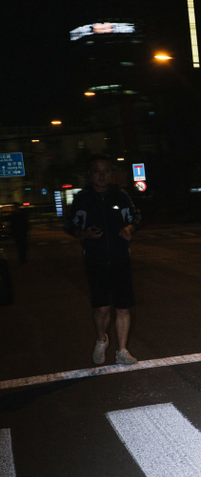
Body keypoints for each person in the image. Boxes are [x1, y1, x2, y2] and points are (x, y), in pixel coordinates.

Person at [65, 154, 141, 365]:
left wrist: (129, 228)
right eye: (97, 171)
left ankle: (122, 350)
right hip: (95, 260)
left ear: (111, 173)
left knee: (123, 307)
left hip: (120, 259)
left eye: (106, 170)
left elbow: (136, 218)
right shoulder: (82, 198)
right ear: (90, 174)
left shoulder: (120, 195)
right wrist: (85, 233)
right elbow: (70, 226)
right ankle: (101, 340)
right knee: (101, 308)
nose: (102, 175)